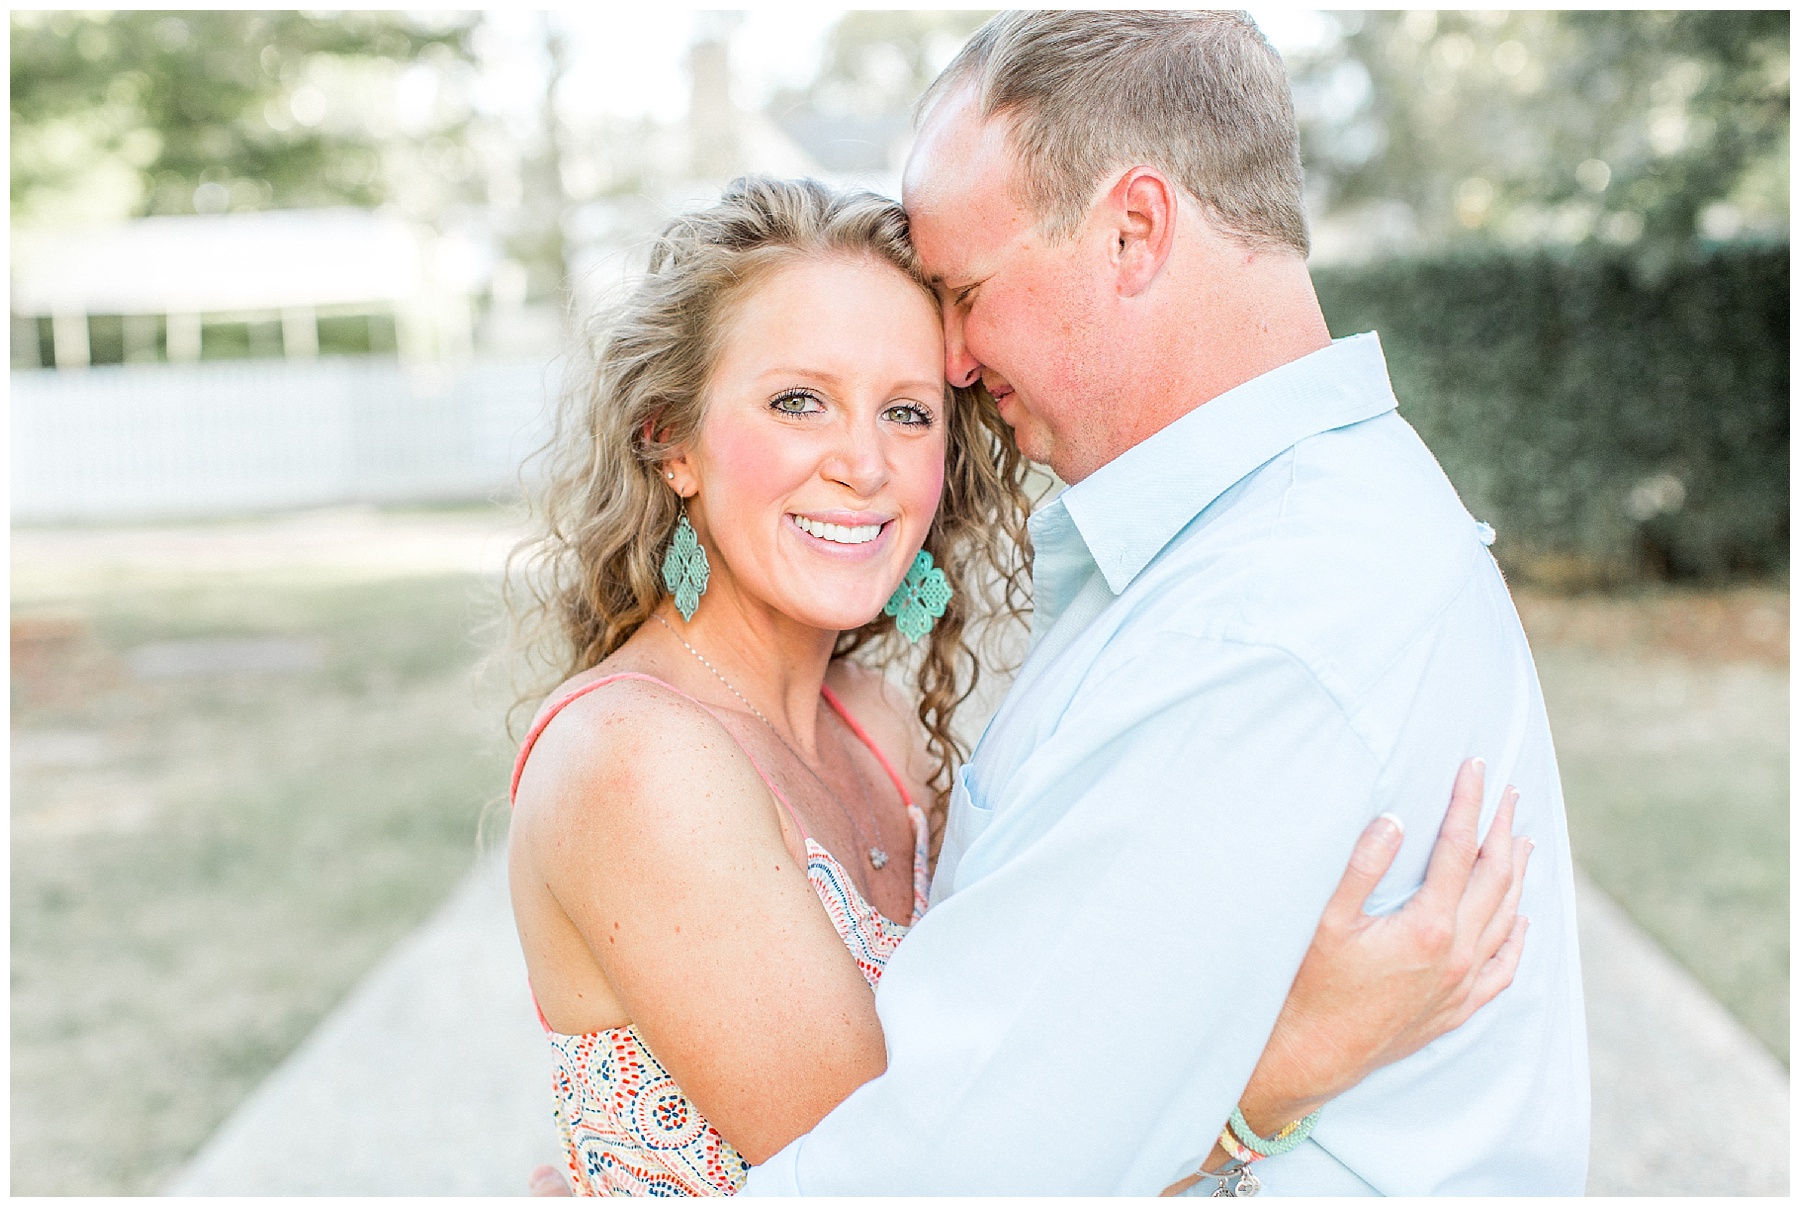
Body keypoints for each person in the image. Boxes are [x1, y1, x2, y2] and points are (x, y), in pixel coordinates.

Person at [507, 170, 1532, 1196]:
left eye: (908, 412)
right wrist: (1276, 1080)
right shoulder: (637, 761)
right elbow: (929, 1180)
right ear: (669, 440)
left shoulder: (873, 723)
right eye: (798, 401)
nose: (863, 464)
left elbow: (1024, 1054)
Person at [725, 11, 1588, 1196]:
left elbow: (967, 1168)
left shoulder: (1262, 621)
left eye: (967, 291)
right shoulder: (1272, 538)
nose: (957, 359)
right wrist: (1257, 1097)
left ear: (1133, 231)